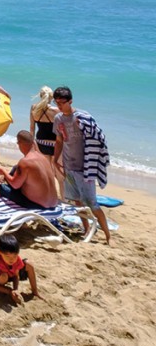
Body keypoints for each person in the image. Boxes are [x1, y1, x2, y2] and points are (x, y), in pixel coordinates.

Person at [53, 86, 113, 244]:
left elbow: (99, 137)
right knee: (77, 201)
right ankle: (86, 229)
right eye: (56, 102)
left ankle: (108, 236)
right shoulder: (58, 119)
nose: (59, 105)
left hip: (85, 169)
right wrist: (54, 159)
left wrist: (84, 127)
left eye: (62, 102)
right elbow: (59, 140)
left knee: (92, 203)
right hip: (69, 166)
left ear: (70, 101)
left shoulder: (83, 117)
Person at [0, 131, 59, 209]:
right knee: (16, 168)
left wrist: (3, 172)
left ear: (19, 143)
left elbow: (15, 185)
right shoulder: (44, 158)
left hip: (39, 206)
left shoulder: (25, 162)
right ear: (33, 143)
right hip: (54, 204)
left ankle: (1, 210)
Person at [0, 234, 41, 305]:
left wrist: (15, 289)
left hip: (10, 272)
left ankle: (35, 292)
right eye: (8, 256)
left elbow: (16, 275)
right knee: (4, 276)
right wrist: (9, 291)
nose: (12, 259)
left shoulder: (16, 259)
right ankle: (1, 289)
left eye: (15, 256)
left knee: (29, 265)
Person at [30, 85, 63, 199]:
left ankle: (49, 196)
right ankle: (63, 199)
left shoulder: (34, 108)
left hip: (40, 142)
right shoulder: (56, 111)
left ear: (40, 95)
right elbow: (62, 131)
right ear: (52, 97)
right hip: (54, 144)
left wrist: (32, 145)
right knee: (59, 175)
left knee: (47, 172)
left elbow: (32, 129)